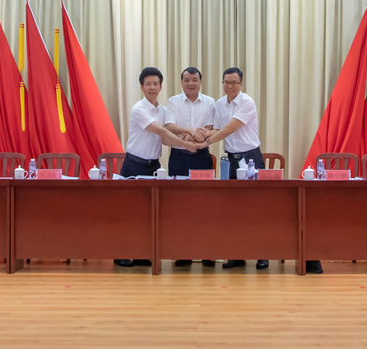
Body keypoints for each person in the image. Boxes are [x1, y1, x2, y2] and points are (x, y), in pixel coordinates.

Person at [197, 67, 323, 275]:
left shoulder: (247, 102)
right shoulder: (219, 104)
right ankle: (237, 255)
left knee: (257, 208)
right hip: (231, 160)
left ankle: (262, 254)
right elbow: (218, 129)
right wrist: (201, 133)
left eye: (234, 82)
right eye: (226, 82)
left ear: (241, 84)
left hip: (251, 159)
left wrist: (206, 142)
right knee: (234, 209)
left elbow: (230, 128)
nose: (229, 86)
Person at [114, 67, 198, 268]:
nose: (152, 87)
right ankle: (120, 253)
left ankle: (142, 253)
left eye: (155, 84)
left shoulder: (163, 111)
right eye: (148, 84)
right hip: (134, 164)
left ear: (161, 87)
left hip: (153, 166)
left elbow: (167, 138)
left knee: (149, 213)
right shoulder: (139, 109)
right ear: (141, 87)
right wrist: (186, 143)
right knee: (129, 212)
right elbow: (160, 131)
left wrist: (187, 138)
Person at [165, 66, 217, 268]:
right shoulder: (173, 101)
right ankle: (182, 252)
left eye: (194, 79)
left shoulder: (210, 102)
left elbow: (210, 128)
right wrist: (188, 132)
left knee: (204, 204)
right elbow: (169, 126)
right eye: (187, 80)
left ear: (200, 82)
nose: (191, 83)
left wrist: (196, 136)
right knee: (179, 205)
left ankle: (207, 252)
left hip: (202, 157)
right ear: (182, 82)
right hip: (178, 157)